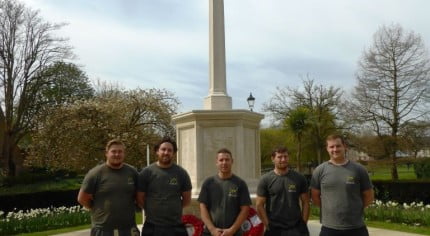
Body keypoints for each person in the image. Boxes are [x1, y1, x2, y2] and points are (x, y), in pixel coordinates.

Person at [310, 134, 374, 236]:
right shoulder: (319, 170)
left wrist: (354, 209)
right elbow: (315, 197)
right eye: (331, 147)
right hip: (329, 228)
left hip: (356, 228)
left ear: (345, 146)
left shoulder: (359, 169)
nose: (335, 149)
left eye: (338, 146)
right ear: (327, 149)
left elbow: (369, 196)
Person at [77, 139, 139, 236]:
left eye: (120, 152)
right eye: (113, 151)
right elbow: (82, 198)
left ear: (124, 154)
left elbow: (139, 196)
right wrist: (97, 208)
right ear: (106, 153)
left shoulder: (132, 172)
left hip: (128, 229)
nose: (117, 154)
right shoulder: (95, 174)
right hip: (102, 230)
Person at [137, 137, 192, 236]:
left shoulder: (181, 173)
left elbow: (187, 200)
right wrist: (151, 208)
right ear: (157, 151)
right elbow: (140, 198)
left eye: (169, 150)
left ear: (173, 153)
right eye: (163, 149)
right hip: (152, 227)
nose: (166, 152)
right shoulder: (146, 173)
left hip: (176, 227)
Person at [256, 147, 310, 236]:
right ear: (273, 159)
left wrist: (303, 224)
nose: (283, 159)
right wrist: (268, 225)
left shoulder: (300, 178)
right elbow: (259, 205)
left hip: (296, 229)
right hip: (274, 229)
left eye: (286, 156)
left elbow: (306, 202)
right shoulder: (265, 180)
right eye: (280, 157)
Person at [198, 148, 252, 236]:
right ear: (216, 162)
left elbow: (245, 209)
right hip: (210, 233)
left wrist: (232, 230)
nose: (224, 163)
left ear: (232, 161)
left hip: (234, 233)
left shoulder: (240, 183)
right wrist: (212, 230)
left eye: (227, 160)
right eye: (221, 160)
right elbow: (202, 207)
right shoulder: (208, 183)